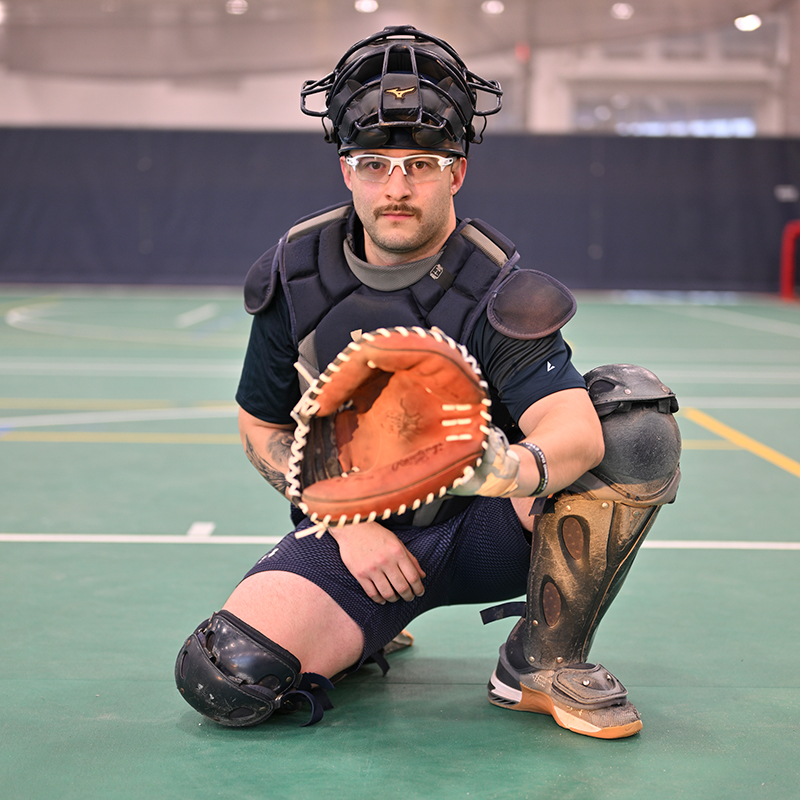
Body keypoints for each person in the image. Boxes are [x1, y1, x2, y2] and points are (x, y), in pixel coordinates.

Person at [174, 25, 681, 739]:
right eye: (376, 164)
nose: (398, 186)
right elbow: (261, 425)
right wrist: (348, 522)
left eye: (421, 164)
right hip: (357, 542)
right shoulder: (296, 275)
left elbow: (573, 427)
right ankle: (367, 629)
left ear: (457, 172)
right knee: (225, 676)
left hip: (486, 530)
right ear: (347, 171)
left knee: (636, 426)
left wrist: (503, 468)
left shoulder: (498, 289)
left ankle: (542, 658)